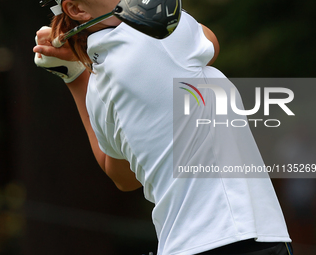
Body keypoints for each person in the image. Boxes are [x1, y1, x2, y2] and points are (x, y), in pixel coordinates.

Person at [33, 0, 293, 254]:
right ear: (77, 9)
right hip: (236, 238)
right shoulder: (156, 37)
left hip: (182, 245)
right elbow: (212, 44)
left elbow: (122, 176)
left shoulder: (97, 88)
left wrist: (75, 76)